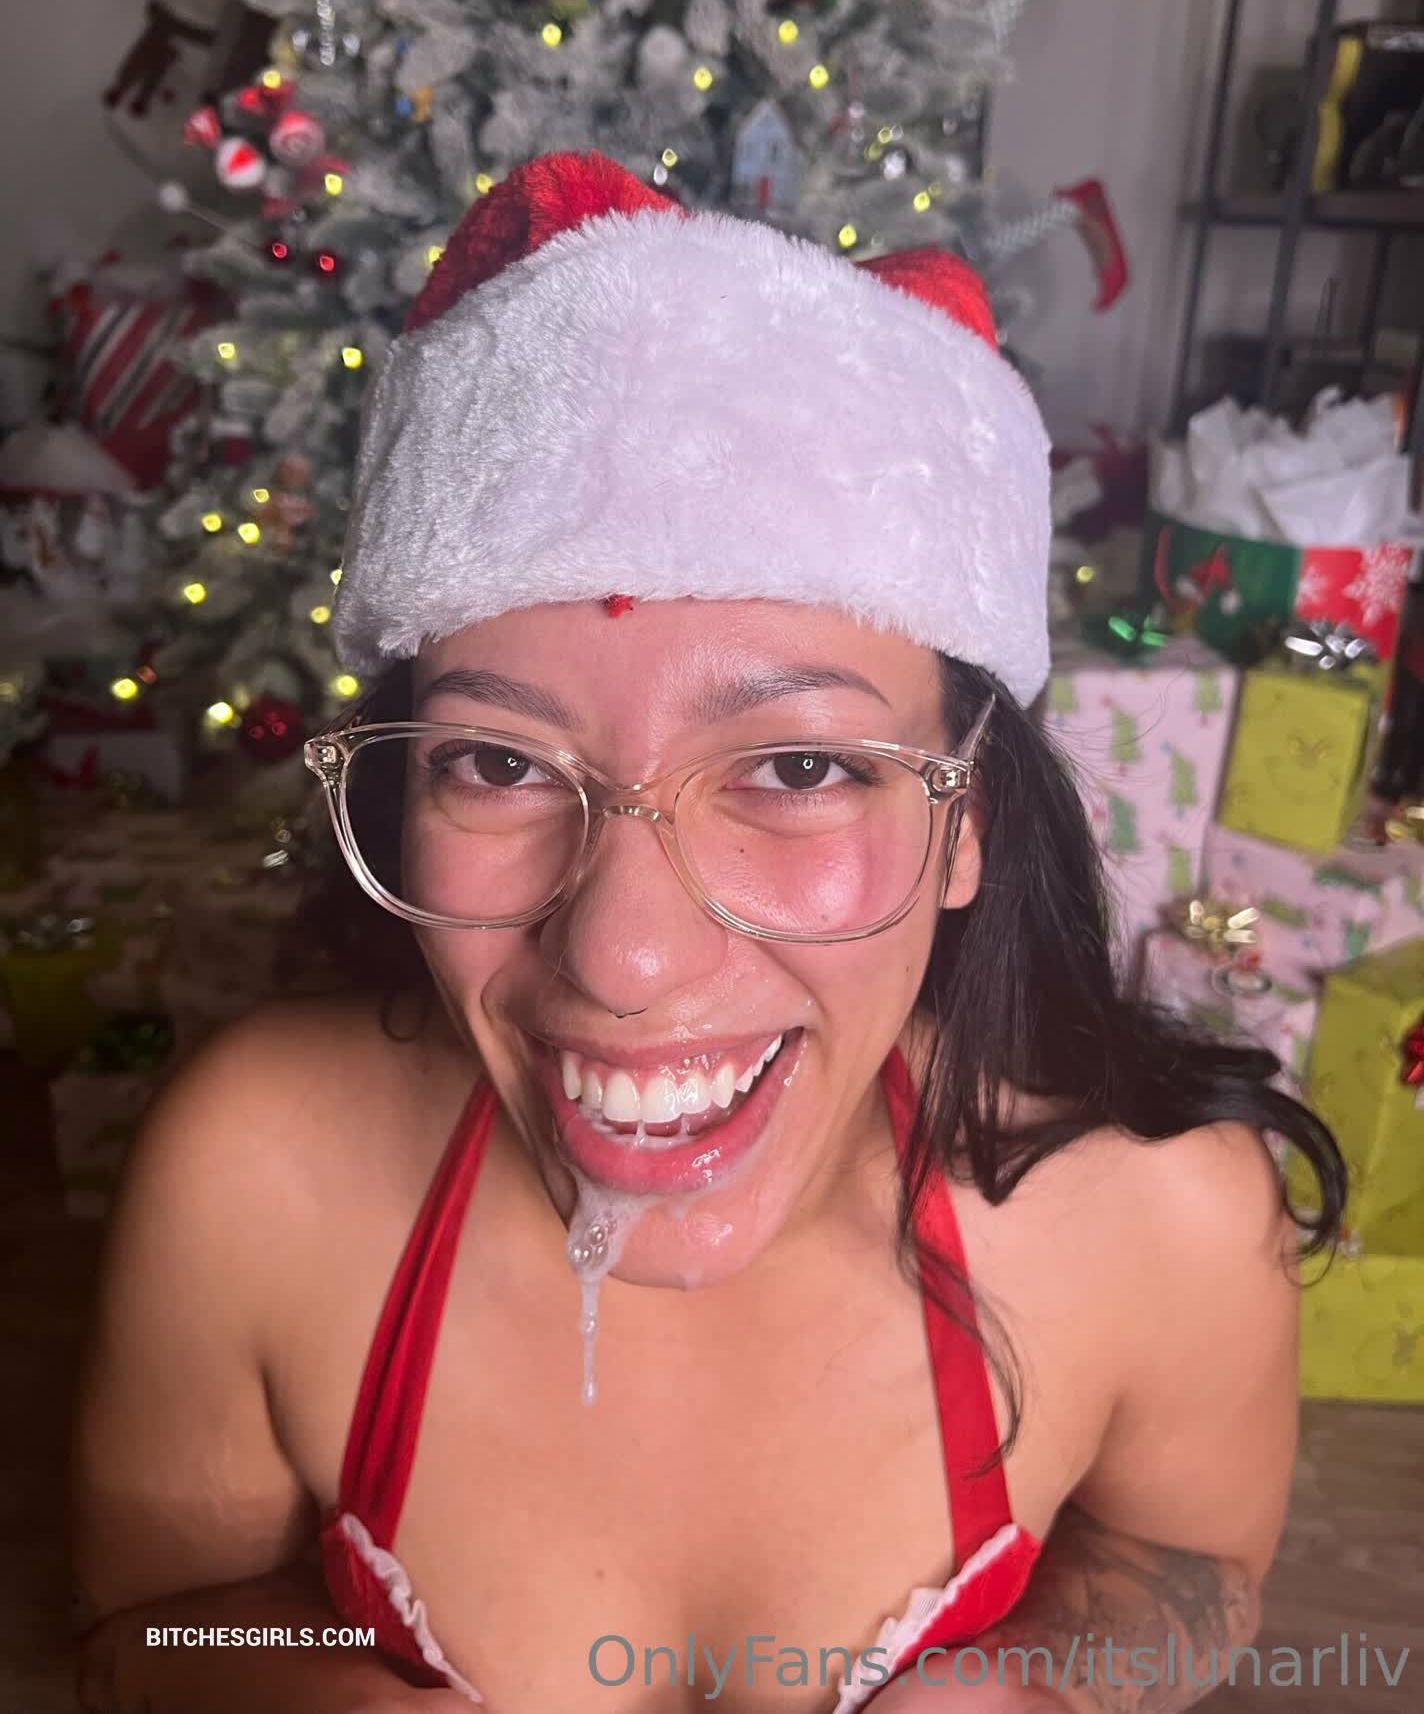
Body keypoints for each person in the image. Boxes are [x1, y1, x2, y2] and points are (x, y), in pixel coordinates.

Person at [70, 151, 1343, 1714]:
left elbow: (1194, 1571)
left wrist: (1032, 1685)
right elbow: (161, 1619)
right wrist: (315, 1692)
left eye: (798, 769)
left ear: (967, 823)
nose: (623, 958)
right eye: (496, 764)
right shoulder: (251, 1181)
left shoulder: (1168, 1221)